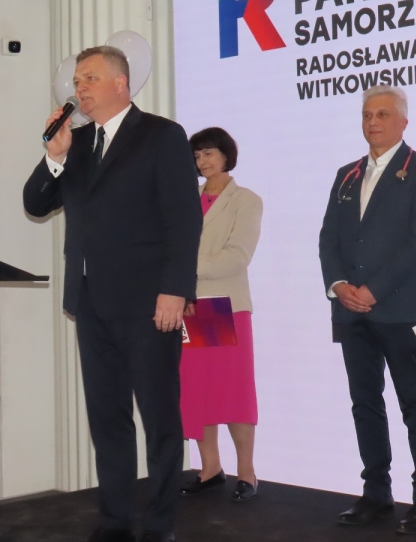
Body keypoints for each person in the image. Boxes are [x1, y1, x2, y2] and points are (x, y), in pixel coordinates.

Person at [23, 45, 202, 542]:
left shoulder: (162, 135)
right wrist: (54, 156)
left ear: (120, 84)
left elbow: (184, 219)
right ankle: (116, 520)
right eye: (77, 80)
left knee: (160, 419)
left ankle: (160, 524)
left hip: (149, 303)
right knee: (108, 419)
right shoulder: (75, 142)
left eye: (90, 79)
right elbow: (34, 203)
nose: (79, 88)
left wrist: (175, 290)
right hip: (90, 300)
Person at [319, 85, 416, 534]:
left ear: (404, 121)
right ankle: (376, 493)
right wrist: (338, 285)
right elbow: (328, 238)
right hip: (351, 312)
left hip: (401, 309)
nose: (373, 122)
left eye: (383, 114)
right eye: (368, 115)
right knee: (365, 403)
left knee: (415, 402)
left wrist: (374, 289)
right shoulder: (346, 174)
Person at [178, 128, 263, 502]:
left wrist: (184, 270)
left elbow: (237, 256)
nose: (203, 161)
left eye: (209, 153)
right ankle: (210, 468)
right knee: (198, 391)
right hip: (191, 305)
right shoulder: (186, 200)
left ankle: (247, 472)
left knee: (234, 393)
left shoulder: (246, 200)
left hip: (225, 306)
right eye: (197, 155)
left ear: (227, 155)